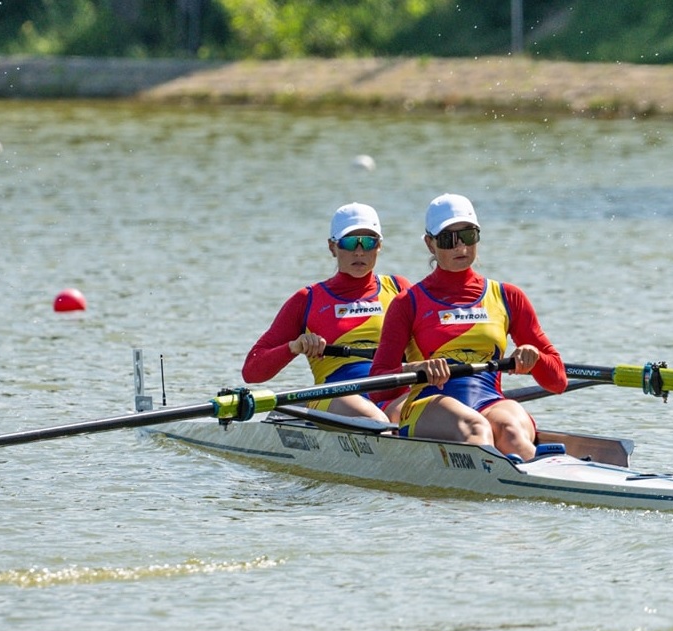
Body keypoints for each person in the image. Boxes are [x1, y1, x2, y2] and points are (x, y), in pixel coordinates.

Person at [368, 193, 567, 460]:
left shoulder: (508, 296)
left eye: (469, 236)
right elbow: (378, 385)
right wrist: (418, 368)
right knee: (477, 429)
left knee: (511, 433)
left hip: (490, 400)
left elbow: (557, 382)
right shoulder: (408, 303)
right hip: (428, 404)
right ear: (430, 244)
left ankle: (543, 481)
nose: (460, 246)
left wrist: (536, 358)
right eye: (448, 239)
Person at [242, 202, 411, 422]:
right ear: (332, 246)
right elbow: (252, 371)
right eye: (350, 242)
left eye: (368, 242)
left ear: (379, 246)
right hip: (336, 394)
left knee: (405, 417)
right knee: (376, 422)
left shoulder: (399, 289)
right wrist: (293, 347)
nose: (359, 251)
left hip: (393, 387)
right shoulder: (308, 299)